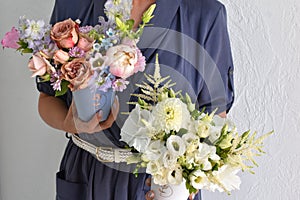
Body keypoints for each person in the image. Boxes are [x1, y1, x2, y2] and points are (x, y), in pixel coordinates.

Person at [37, 0, 234, 199]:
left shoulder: (205, 14)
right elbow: (47, 97)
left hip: (160, 184)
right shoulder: (72, 5)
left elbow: (215, 116)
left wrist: (189, 177)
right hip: (85, 174)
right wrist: (68, 123)